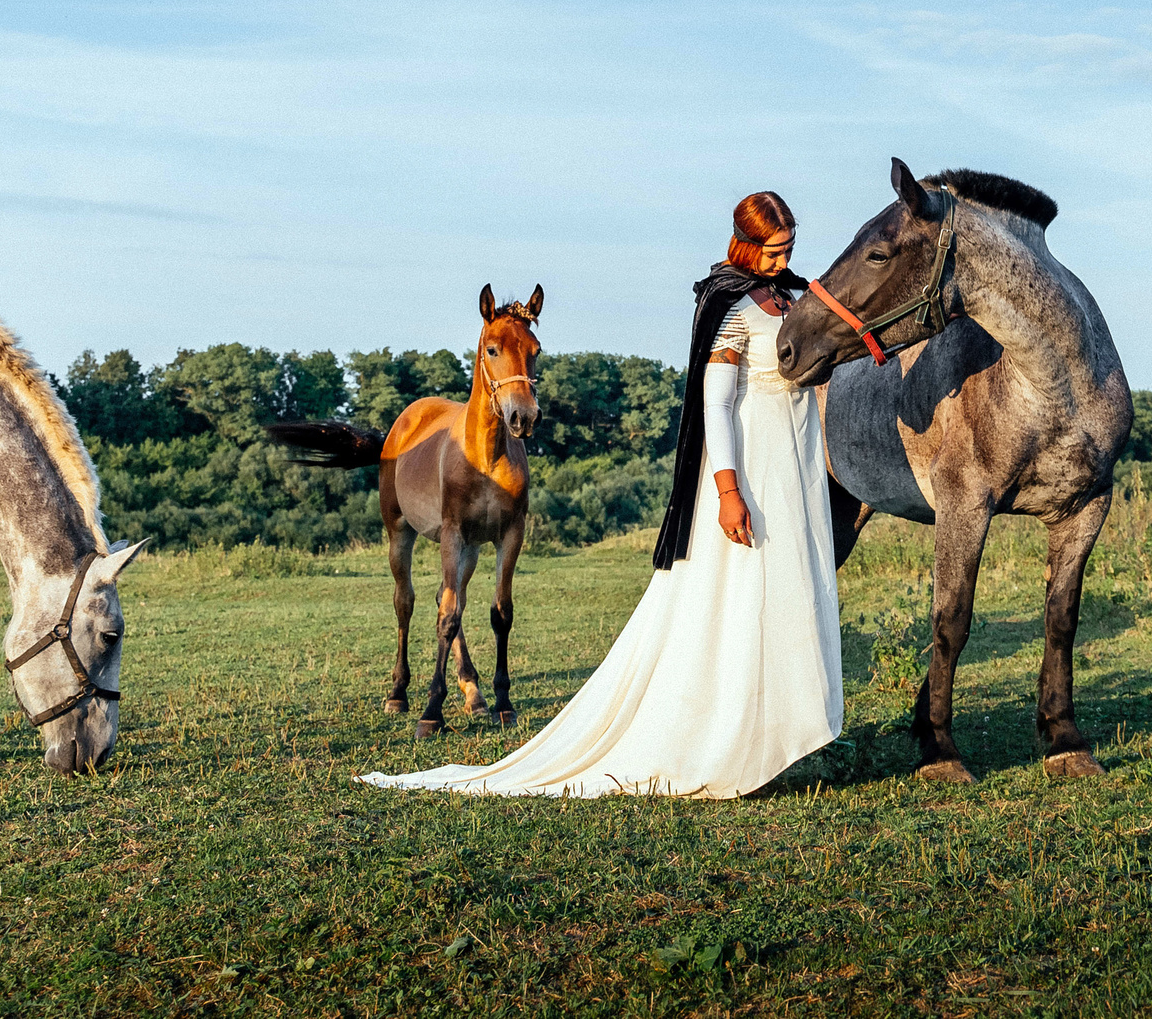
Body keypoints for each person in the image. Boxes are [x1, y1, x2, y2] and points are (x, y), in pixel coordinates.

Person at [357, 191, 844, 798]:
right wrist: (726, 489)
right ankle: (727, 737)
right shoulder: (730, 305)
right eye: (776, 249)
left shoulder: (789, 293)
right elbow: (714, 403)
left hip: (792, 472)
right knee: (738, 602)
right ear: (748, 242)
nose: (785, 258)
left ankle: (781, 735)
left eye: (789, 247)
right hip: (751, 475)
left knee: (788, 594)